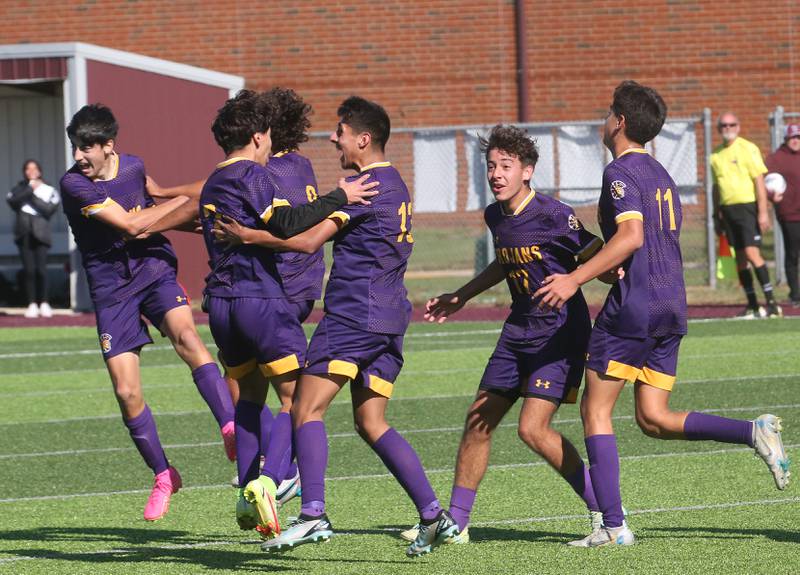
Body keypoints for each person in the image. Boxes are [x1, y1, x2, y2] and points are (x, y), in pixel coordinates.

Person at [535, 81, 790, 547]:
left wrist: (577, 277)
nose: (603, 118)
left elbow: (630, 237)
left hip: (635, 309)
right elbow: (642, 242)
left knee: (595, 412)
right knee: (653, 418)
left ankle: (613, 528)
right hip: (671, 304)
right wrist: (614, 264)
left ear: (620, 122)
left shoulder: (619, 172)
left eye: (608, 112)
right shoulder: (661, 174)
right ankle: (754, 432)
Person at [215, 96, 458, 557]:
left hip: (352, 315)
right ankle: (433, 514)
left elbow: (306, 242)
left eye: (341, 131)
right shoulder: (397, 184)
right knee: (371, 422)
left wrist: (248, 236)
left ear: (363, 139)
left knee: (304, 410)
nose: (333, 138)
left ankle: (312, 515)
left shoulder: (365, 186)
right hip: (390, 319)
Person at [405, 124, 607, 544]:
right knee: (478, 420)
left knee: (532, 430)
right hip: (517, 330)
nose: (496, 174)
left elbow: (598, 257)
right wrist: (461, 296)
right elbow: (505, 261)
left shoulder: (555, 214)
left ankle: (604, 513)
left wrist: (615, 290)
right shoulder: (495, 215)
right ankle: (456, 524)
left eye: (506, 166)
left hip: (559, 334)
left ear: (527, 171)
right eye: (491, 166)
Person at [197, 90, 378, 537]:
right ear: (259, 137)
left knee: (250, 397)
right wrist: (342, 196)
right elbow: (288, 224)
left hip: (220, 305)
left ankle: (245, 490)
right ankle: (272, 482)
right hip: (262, 301)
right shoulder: (251, 175)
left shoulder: (211, 181)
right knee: (298, 400)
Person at [59, 104, 237, 522]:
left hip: (154, 270)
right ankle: (163, 474)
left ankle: (231, 428)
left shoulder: (134, 166)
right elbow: (132, 225)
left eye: (87, 147)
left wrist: (199, 221)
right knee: (126, 392)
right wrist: (183, 205)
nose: (79, 156)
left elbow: (155, 202)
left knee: (188, 338)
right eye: (75, 147)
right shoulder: (74, 186)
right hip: (111, 290)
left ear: (108, 145)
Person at [710, 112, 781, 318]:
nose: (728, 128)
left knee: (752, 254)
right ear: (718, 129)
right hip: (728, 210)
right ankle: (752, 305)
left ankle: (772, 303)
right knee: (740, 259)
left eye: (732, 124)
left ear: (738, 126)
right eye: (723, 125)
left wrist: (762, 212)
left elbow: (759, 181)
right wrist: (716, 215)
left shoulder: (748, 148)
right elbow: (716, 187)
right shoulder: (715, 155)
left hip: (747, 208)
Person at [6, 159, 60, 318]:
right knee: (28, 271)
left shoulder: (49, 190)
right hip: (23, 233)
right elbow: (13, 202)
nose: (31, 171)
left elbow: (48, 210)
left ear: (40, 171)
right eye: (28, 169)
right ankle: (31, 303)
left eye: (34, 168)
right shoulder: (18, 189)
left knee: (41, 270)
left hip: (41, 233)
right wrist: (29, 189)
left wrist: (31, 195)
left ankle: (44, 302)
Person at [765, 123, 800, 307]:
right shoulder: (777, 158)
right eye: (792, 137)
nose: (796, 141)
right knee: (793, 254)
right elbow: (763, 179)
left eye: (798, 137)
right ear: (786, 140)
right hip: (790, 214)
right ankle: (795, 295)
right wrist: (771, 194)